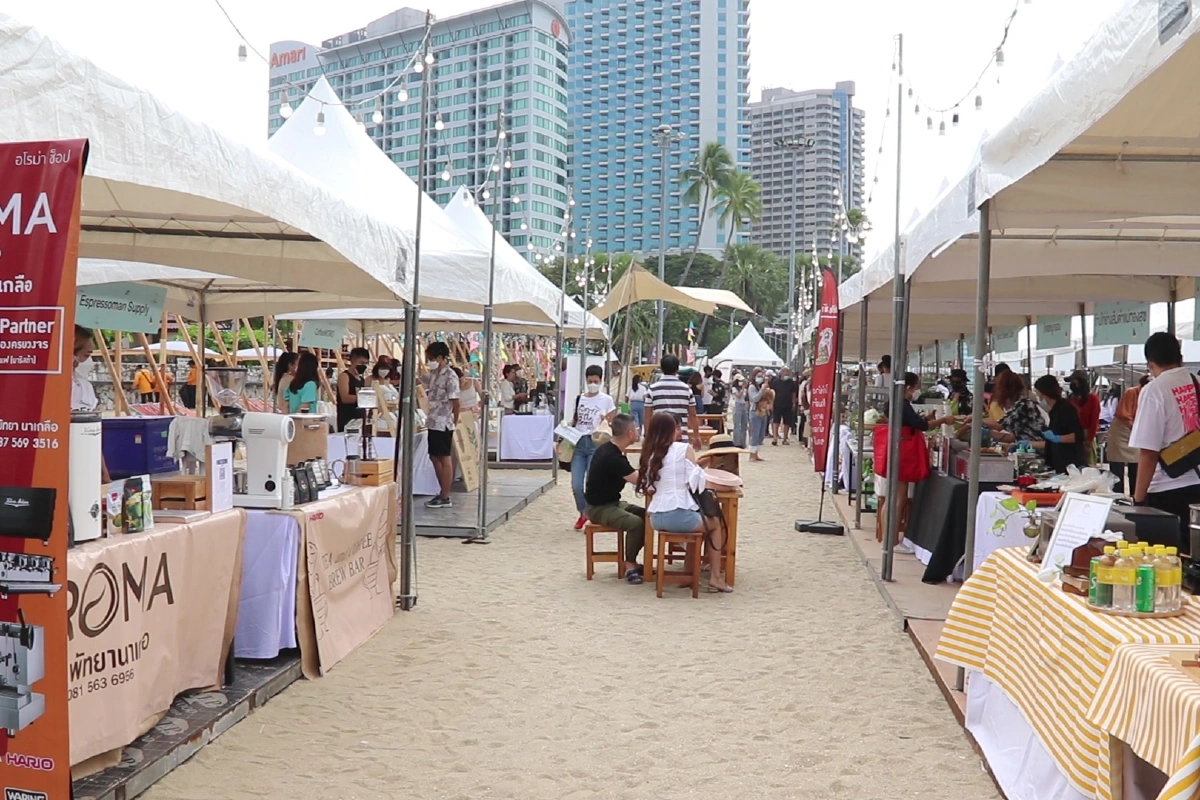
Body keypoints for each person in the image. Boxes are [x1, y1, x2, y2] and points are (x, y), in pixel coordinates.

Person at [635, 412, 731, 593]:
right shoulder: (682, 449)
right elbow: (695, 483)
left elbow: (650, 487)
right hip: (678, 513)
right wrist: (700, 466)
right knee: (715, 525)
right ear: (672, 430)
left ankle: (689, 571)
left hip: (656, 517)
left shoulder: (649, 454)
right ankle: (716, 576)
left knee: (697, 523)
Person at [1130, 332, 1200, 552]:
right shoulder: (1196, 382)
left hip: (1168, 489)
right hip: (1197, 480)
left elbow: (1148, 451)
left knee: (1169, 561)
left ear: (1150, 364)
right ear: (1179, 355)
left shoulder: (1154, 390)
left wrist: (1138, 499)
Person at [877, 372, 956, 553]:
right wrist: (943, 420)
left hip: (896, 449)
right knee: (899, 498)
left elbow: (915, 422)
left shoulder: (894, 403)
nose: (916, 391)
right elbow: (921, 427)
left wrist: (927, 418)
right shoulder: (902, 404)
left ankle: (887, 539)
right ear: (907, 387)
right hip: (903, 452)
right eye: (915, 387)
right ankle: (891, 542)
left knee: (893, 497)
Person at [583, 414, 646, 584]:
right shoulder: (612, 457)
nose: (638, 432)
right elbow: (639, 480)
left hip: (612, 502)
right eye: (636, 429)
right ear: (630, 433)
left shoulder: (610, 449)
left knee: (647, 515)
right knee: (636, 523)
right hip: (599, 507)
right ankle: (630, 565)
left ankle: (633, 560)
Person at [570, 365, 618, 529]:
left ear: (601, 381)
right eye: (590, 381)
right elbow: (575, 419)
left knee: (591, 481)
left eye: (595, 381)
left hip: (596, 441)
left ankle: (590, 513)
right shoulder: (580, 398)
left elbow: (613, 422)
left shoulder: (606, 400)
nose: (592, 384)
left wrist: (607, 419)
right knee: (576, 484)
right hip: (579, 442)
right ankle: (583, 511)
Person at [421, 341, 460, 509]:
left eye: (430, 358)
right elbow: (420, 379)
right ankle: (442, 492)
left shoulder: (450, 375)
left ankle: (445, 495)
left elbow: (456, 401)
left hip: (443, 421)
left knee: (444, 457)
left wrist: (454, 420)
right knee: (434, 456)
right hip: (433, 420)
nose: (429, 361)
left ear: (440, 357)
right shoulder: (435, 373)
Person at [71, 326, 111, 483]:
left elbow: (93, 434)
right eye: (85, 355)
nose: (87, 362)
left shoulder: (85, 387)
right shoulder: (52, 387)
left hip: (85, 463)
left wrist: (105, 475)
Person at [1031, 375, 1086, 474]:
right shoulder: (1054, 410)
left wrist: (1058, 438)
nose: (1038, 397)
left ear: (1045, 393)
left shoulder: (1066, 409)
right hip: (1059, 464)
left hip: (1071, 463)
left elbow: (1078, 435)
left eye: (1038, 393)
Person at [645, 354, 700, 444]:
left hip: (659, 438)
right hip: (681, 438)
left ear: (662, 369)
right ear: (677, 369)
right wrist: (696, 435)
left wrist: (647, 436)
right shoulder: (686, 389)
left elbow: (647, 416)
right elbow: (692, 415)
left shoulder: (653, 389)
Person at [1107, 375, 1149, 494]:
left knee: (1136, 463)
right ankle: (1117, 496)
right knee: (1117, 465)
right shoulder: (1132, 392)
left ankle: (1135, 494)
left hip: (1136, 429)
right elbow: (1124, 415)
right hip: (1121, 431)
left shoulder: (1150, 396)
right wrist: (1137, 430)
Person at [977, 371, 1042, 444]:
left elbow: (1000, 426)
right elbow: (1012, 437)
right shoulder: (1017, 404)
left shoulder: (1023, 405)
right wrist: (987, 432)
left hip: (1034, 448)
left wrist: (976, 419)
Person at [1068, 371, 1101, 460]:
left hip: (1086, 435)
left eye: (1074, 382)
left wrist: (1089, 441)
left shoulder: (1092, 399)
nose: (1072, 384)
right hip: (1072, 435)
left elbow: (1094, 422)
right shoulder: (1071, 398)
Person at [336, 347, 370, 432]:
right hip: (347, 419)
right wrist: (363, 398)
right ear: (353, 361)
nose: (363, 366)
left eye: (366, 363)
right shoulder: (344, 376)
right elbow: (345, 397)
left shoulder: (361, 379)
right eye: (361, 363)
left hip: (360, 419)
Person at [747, 367, 774, 462]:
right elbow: (755, 399)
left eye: (762, 376)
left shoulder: (761, 386)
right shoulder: (751, 387)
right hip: (755, 412)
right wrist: (762, 390)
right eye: (758, 376)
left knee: (761, 434)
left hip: (763, 412)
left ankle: (756, 453)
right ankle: (751, 455)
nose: (760, 378)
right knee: (755, 433)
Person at [770, 367, 799, 446]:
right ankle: (775, 438)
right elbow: (772, 393)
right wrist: (771, 403)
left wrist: (793, 403)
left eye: (788, 373)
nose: (787, 374)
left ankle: (785, 438)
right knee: (776, 421)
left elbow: (793, 394)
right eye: (785, 373)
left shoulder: (791, 383)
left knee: (787, 422)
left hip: (788, 404)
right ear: (781, 373)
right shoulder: (776, 382)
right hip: (777, 404)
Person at [730, 374, 749, 448]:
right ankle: (736, 442)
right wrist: (743, 388)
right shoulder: (734, 388)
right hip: (737, 405)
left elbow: (745, 398)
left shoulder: (745, 389)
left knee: (744, 425)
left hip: (743, 405)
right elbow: (738, 395)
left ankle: (743, 442)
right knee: (737, 425)